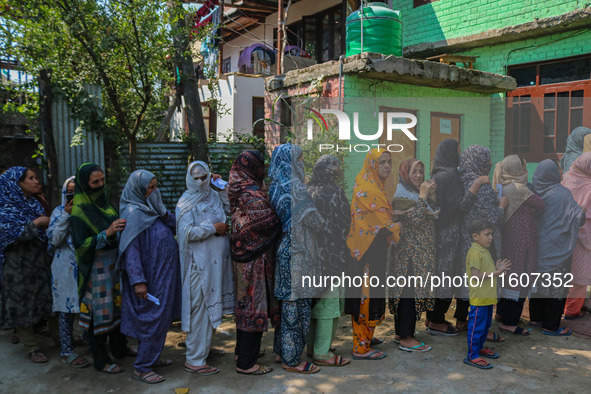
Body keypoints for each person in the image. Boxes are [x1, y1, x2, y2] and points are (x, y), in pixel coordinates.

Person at [119, 170, 182, 384]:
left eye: (156, 186)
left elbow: (177, 226)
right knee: (151, 320)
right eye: (151, 187)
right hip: (150, 278)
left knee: (162, 318)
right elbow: (131, 251)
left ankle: (152, 358)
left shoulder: (151, 209)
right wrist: (138, 282)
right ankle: (142, 367)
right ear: (139, 189)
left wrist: (163, 211)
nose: (155, 191)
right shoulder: (133, 213)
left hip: (164, 276)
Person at [71, 163, 132, 374]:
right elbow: (80, 244)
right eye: (94, 182)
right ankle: (101, 359)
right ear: (84, 184)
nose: (100, 185)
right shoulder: (79, 210)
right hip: (95, 270)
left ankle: (120, 348)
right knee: (99, 313)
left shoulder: (105, 203)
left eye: (102, 180)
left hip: (113, 266)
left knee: (116, 308)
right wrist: (106, 233)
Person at [269, 143, 324, 374]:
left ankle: (282, 350)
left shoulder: (273, 185)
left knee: (287, 304)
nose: (302, 164)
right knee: (296, 307)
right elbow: (315, 221)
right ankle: (291, 360)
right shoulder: (295, 187)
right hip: (298, 254)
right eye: (299, 160)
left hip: (284, 250)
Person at [176, 161, 234, 376]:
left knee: (211, 307)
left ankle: (204, 349)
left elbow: (231, 207)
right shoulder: (185, 203)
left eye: (204, 176)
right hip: (198, 267)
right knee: (199, 311)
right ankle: (194, 359)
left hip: (215, 265)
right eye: (197, 178)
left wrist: (220, 185)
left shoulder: (213, 196)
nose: (201, 181)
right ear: (190, 179)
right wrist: (213, 228)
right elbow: (186, 233)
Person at [345, 148, 401, 360]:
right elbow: (382, 224)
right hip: (364, 254)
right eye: (382, 163)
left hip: (373, 251)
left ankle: (367, 337)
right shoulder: (368, 189)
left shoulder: (376, 186)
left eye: (389, 162)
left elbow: (381, 219)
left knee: (372, 295)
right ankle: (361, 347)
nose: (387, 166)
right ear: (372, 165)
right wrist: (396, 227)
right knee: (364, 298)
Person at [426, 139, 486, 336]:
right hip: (450, 234)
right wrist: (475, 187)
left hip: (438, 232)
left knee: (439, 275)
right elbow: (460, 206)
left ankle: (431, 316)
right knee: (446, 276)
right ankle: (436, 321)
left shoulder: (437, 173)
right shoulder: (451, 175)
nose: (459, 157)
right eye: (457, 152)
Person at [228, 151, 280, 375]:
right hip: (252, 260)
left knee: (244, 306)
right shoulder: (250, 192)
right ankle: (247, 364)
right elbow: (268, 219)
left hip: (244, 257)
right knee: (253, 306)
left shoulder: (238, 186)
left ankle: (242, 353)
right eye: (260, 166)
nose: (264, 170)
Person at [0, 167, 52, 363]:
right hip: (17, 266)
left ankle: (58, 338)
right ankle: (31, 347)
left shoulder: (34, 203)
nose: (36, 181)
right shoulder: (5, 207)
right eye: (31, 178)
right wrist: (38, 223)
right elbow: (10, 235)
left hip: (37, 261)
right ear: (17, 183)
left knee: (43, 297)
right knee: (22, 303)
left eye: (36, 177)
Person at [492, 155, 545, 336]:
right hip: (521, 241)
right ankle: (510, 322)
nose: (525, 170)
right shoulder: (519, 188)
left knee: (507, 275)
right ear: (517, 169)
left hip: (509, 239)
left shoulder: (501, 187)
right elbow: (540, 203)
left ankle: (501, 314)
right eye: (523, 167)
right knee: (520, 278)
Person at [530, 160, 584, 335]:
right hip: (557, 251)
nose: (561, 172)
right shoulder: (562, 194)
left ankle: (536, 319)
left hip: (537, 249)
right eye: (558, 169)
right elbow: (578, 218)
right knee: (556, 287)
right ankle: (551, 326)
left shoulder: (533, 192)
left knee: (538, 286)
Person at [458, 145, 507, 341]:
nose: (490, 163)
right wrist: (502, 205)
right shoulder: (483, 188)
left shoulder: (463, 182)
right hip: (483, 244)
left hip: (467, 242)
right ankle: (480, 331)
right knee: (483, 286)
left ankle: (462, 321)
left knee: (469, 282)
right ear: (478, 161)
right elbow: (494, 219)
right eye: (487, 159)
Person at [389, 159, 438, 352]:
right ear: (404, 174)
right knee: (407, 293)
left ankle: (402, 332)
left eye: (421, 171)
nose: (418, 176)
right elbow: (417, 220)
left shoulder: (415, 195)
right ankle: (407, 338)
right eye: (413, 172)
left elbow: (433, 214)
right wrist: (424, 196)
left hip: (419, 256)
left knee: (407, 293)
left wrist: (430, 196)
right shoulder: (402, 196)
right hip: (408, 255)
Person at [306, 155, 350, 367]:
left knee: (314, 301)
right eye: (336, 167)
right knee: (329, 304)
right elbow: (345, 221)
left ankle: (312, 345)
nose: (338, 170)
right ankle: (323, 353)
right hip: (331, 255)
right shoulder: (335, 191)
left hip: (309, 255)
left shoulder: (307, 190)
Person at [47, 176, 89, 368]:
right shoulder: (58, 211)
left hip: (86, 266)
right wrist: (66, 214)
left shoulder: (88, 210)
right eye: (70, 191)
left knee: (89, 306)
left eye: (76, 191)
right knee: (66, 310)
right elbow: (55, 239)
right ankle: (66, 350)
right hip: (64, 267)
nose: (73, 195)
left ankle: (88, 339)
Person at [463, 218, 510, 369]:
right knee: (476, 327)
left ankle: (479, 348)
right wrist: (497, 272)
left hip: (488, 298)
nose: (491, 237)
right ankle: (472, 355)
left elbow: (485, 271)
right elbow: (476, 276)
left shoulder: (484, 251)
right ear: (475, 236)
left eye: (492, 234)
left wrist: (495, 268)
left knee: (485, 326)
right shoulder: (475, 252)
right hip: (479, 299)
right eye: (487, 234)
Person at [562, 152, 591, 319]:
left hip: (563, 234)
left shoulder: (567, 177)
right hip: (583, 237)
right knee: (580, 276)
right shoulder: (589, 186)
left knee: (566, 272)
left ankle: (560, 306)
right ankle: (572, 311)